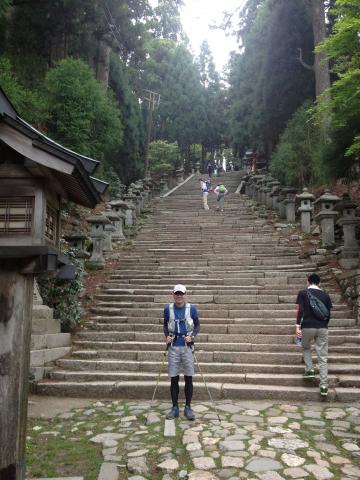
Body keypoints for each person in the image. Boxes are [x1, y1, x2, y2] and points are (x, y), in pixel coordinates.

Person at [163, 284, 200, 420]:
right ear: (173, 294)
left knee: (189, 377)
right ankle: (174, 407)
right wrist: (166, 335)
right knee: (174, 378)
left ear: (185, 295)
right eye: (177, 294)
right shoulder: (168, 309)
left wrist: (193, 336)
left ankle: (188, 407)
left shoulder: (192, 308)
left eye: (181, 294)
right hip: (173, 346)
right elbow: (165, 324)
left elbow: (197, 325)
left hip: (187, 346)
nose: (179, 296)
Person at [295, 273, 333, 397]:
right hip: (322, 328)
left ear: (308, 282)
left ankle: (310, 369)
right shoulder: (326, 295)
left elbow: (300, 310)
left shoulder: (303, 293)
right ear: (319, 283)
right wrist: (324, 325)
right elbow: (328, 314)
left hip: (307, 326)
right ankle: (323, 386)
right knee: (323, 357)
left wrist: (297, 326)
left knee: (306, 347)